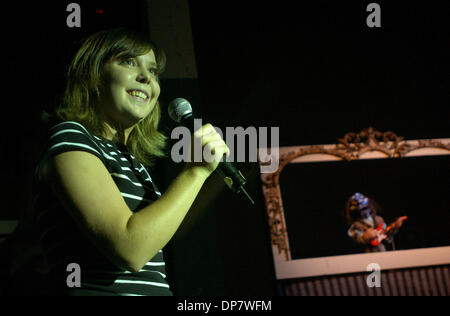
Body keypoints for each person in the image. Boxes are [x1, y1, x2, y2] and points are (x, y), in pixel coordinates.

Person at [30, 27, 229, 296]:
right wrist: (195, 173)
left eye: (154, 71)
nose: (146, 77)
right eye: (128, 61)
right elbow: (130, 247)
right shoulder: (71, 137)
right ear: (94, 76)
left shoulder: (131, 162)